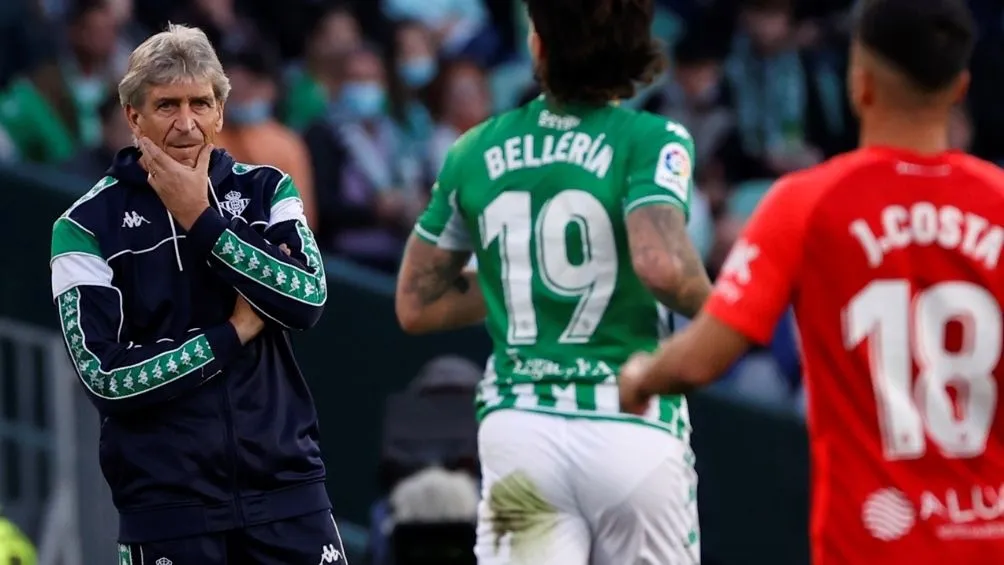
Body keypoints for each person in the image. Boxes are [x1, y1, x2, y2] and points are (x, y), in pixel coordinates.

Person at [619, 0, 1003, 563]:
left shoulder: (808, 203)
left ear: (860, 84)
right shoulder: (999, 204)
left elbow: (701, 360)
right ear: (959, 87)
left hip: (869, 543)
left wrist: (640, 376)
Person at [394, 0, 712, 562]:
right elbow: (661, 265)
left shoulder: (475, 147)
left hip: (522, 432)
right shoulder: (653, 139)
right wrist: (731, 315)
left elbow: (417, 305)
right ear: (639, 48)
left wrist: (517, 274)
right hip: (629, 424)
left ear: (537, 47)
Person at [49, 24, 344, 564]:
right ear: (133, 117)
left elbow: (306, 298)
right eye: (166, 106)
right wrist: (229, 336)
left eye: (199, 103)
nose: (186, 124)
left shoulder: (265, 188)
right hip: (168, 511)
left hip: (289, 496)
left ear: (220, 112)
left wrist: (201, 220)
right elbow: (107, 377)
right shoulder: (84, 227)